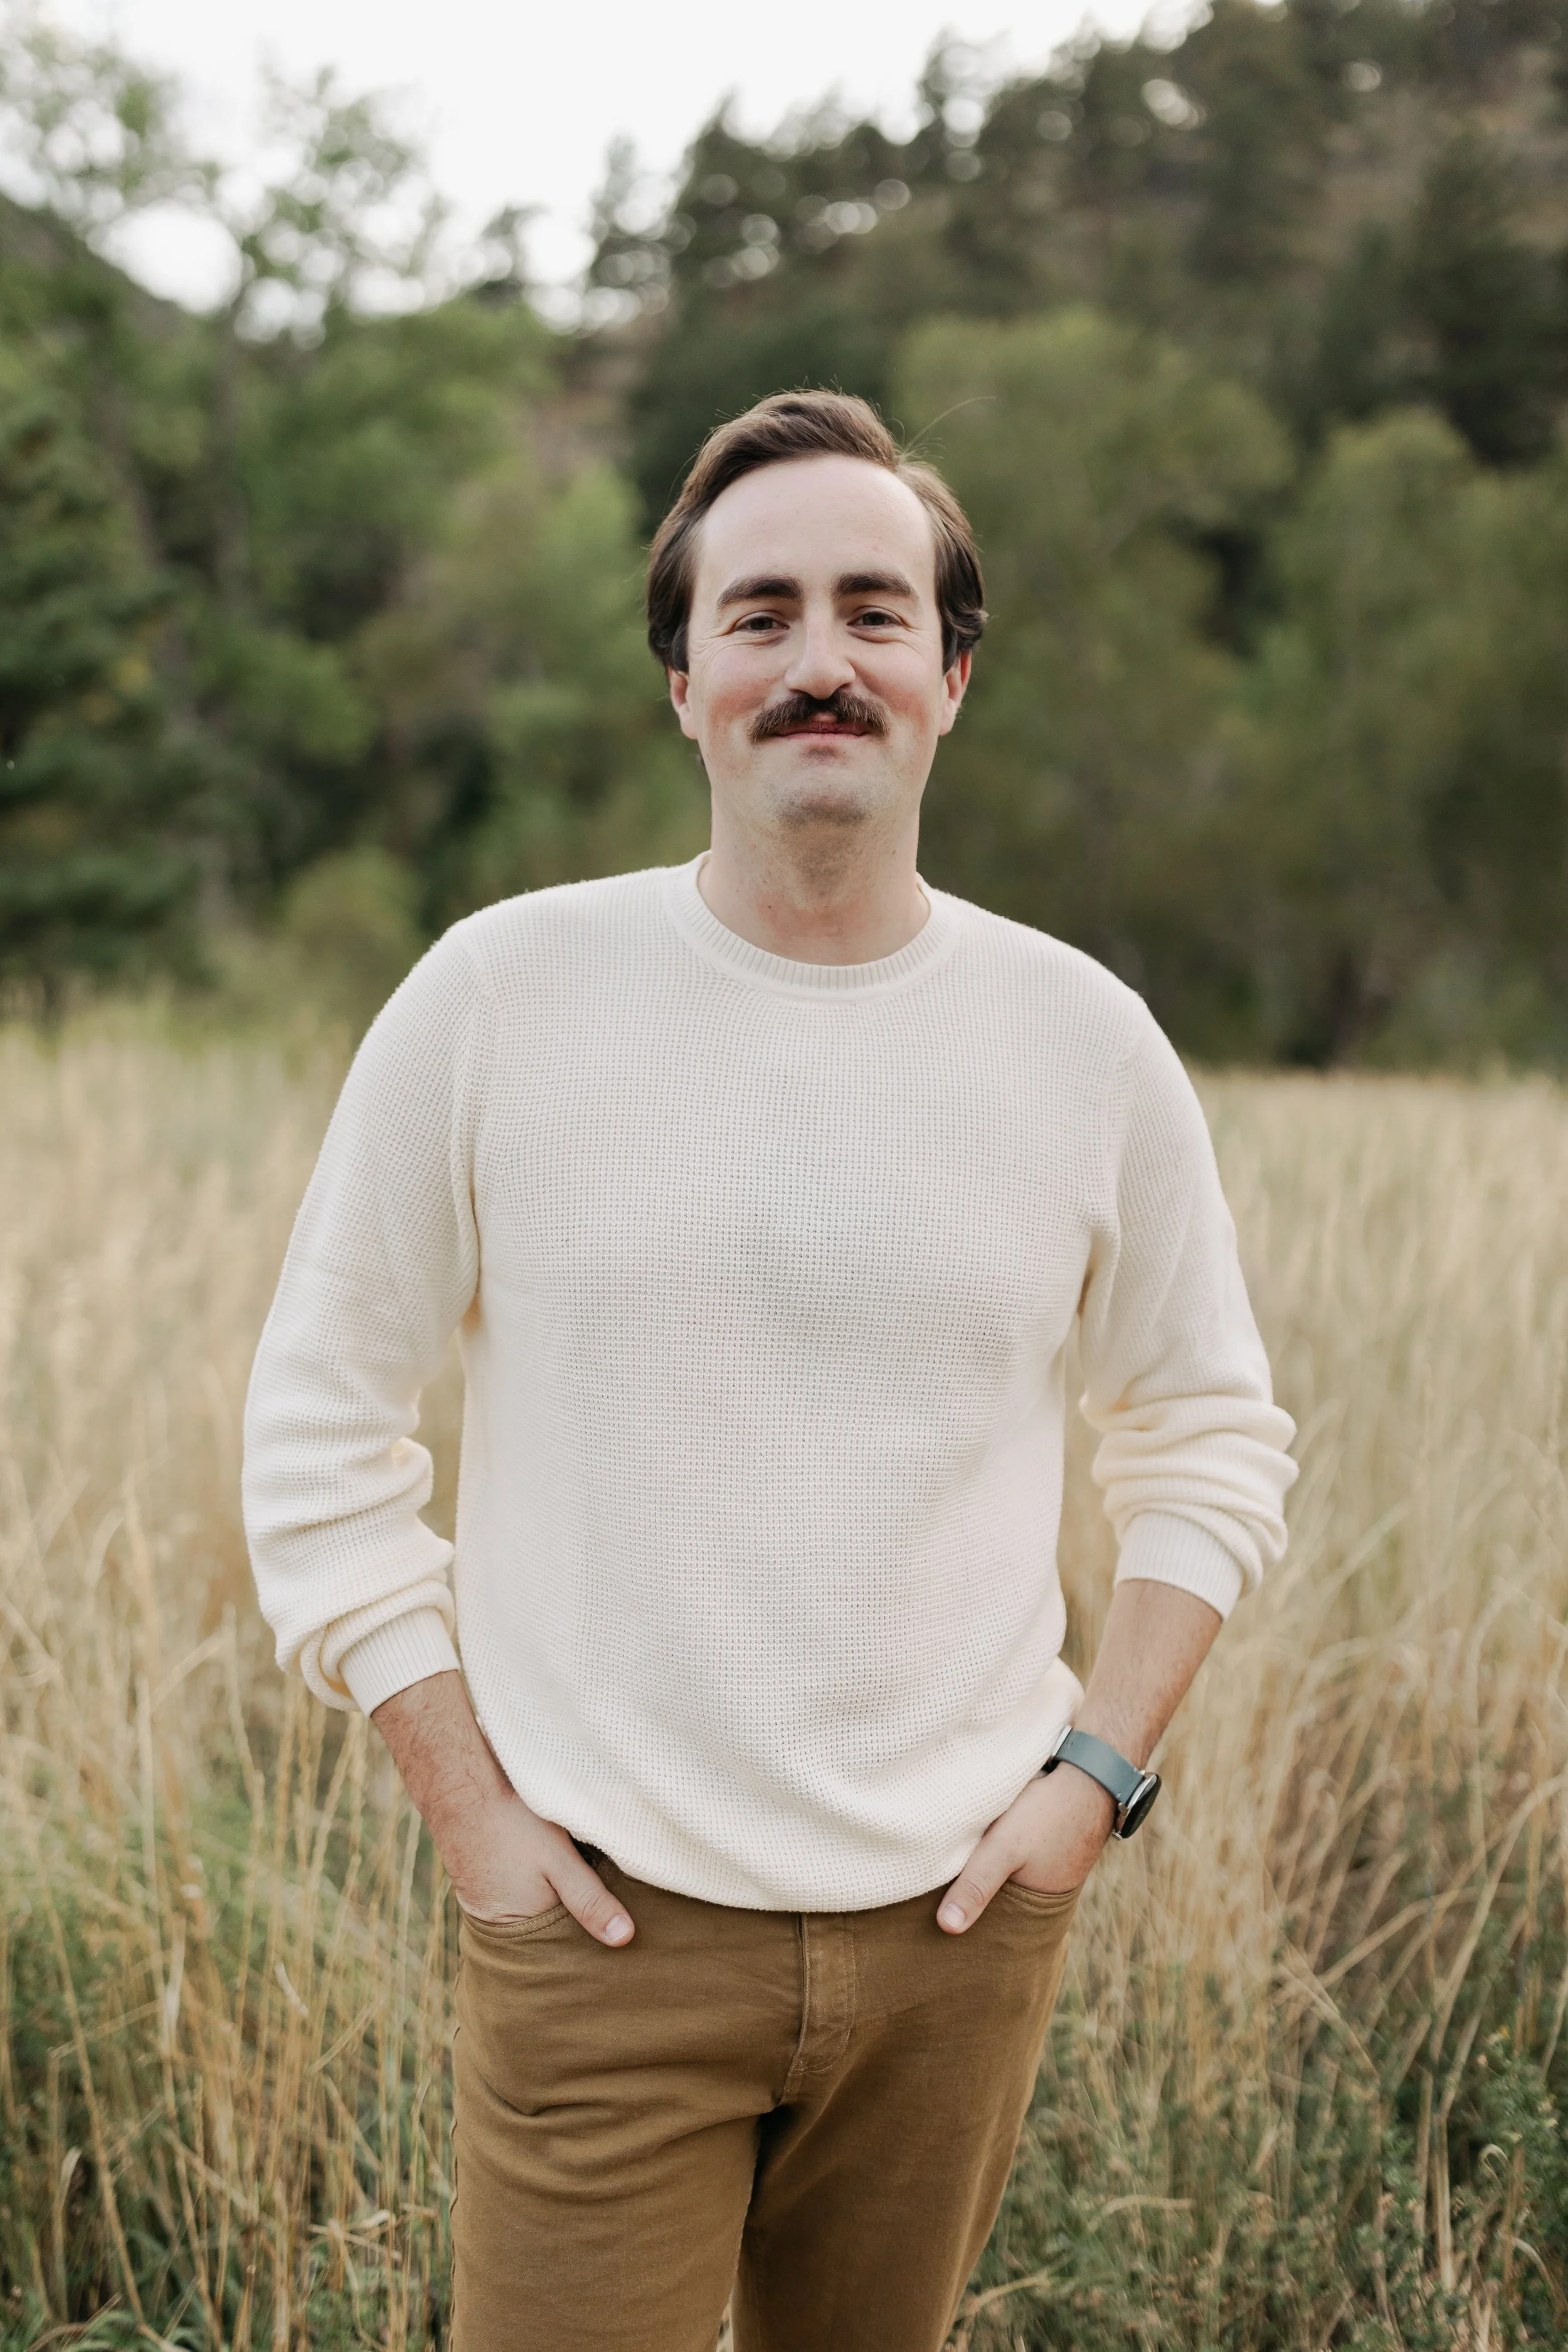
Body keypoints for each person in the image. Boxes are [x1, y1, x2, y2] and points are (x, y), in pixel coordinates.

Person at [243, 388, 1297, 2352]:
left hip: (959, 1938)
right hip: (601, 1937)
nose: (821, 664)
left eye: (875, 612)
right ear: (683, 682)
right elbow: (319, 1434)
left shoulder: (1081, 1040)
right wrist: (480, 1824)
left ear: (952, 674)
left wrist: (1093, 1782)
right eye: (761, 616)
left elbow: (1209, 1435)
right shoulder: (498, 998)